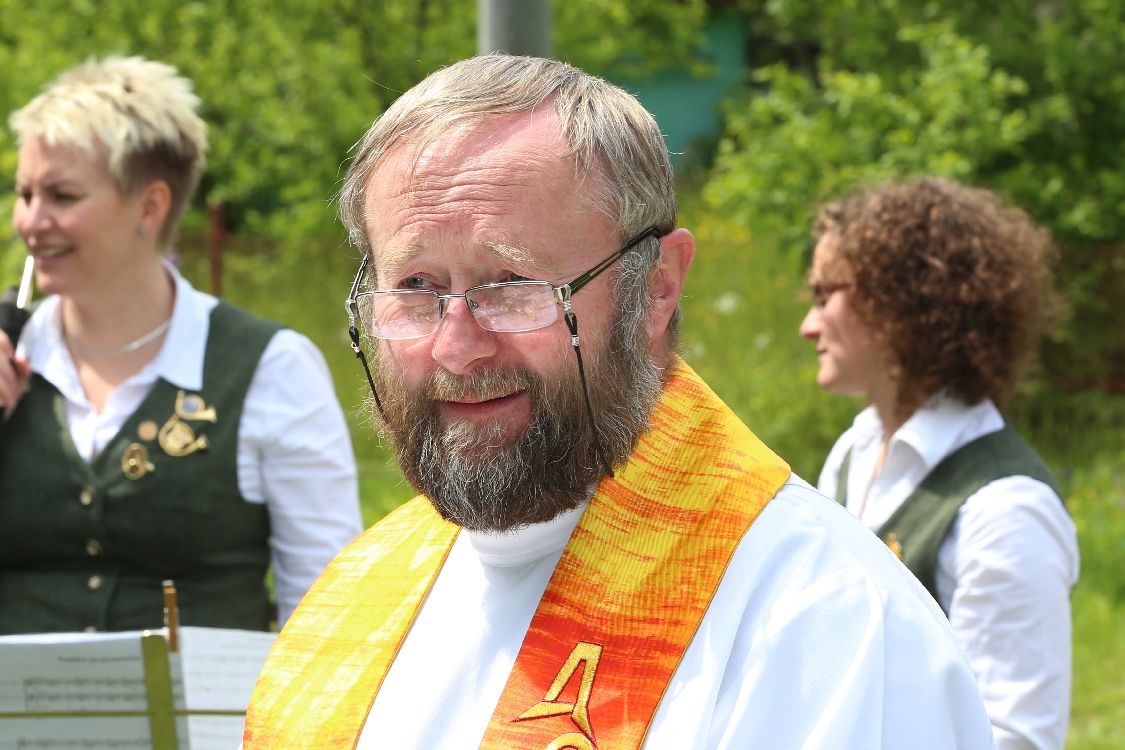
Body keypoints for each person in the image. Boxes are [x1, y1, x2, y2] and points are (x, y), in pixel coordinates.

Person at [243, 55, 994, 749]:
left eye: (512, 285)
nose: (455, 346)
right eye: (414, 289)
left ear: (656, 287)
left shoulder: (825, 626)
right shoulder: (356, 593)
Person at [0, 56, 364, 633]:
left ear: (151, 205)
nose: (30, 221)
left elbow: (325, 618)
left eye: (62, 197)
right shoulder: (11, 355)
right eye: (24, 194)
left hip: (203, 725)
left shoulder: (271, 369)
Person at [799, 176, 1080, 750]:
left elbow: (1015, 738)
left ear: (901, 302)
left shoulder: (1005, 508)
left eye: (826, 294)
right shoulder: (854, 453)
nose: (809, 324)